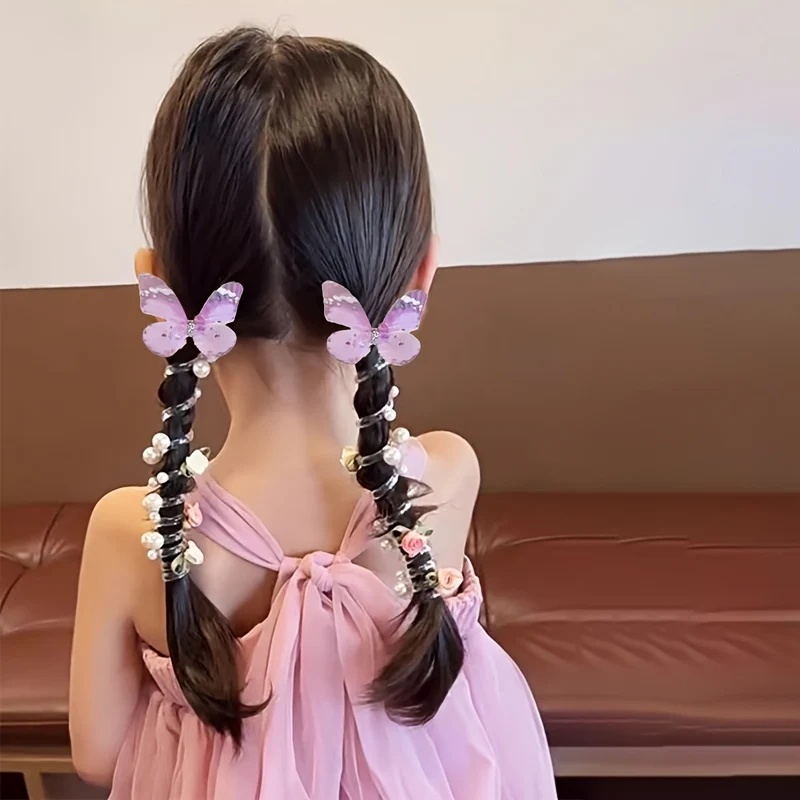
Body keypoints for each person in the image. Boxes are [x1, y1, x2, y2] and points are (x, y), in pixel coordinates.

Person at [69, 26, 557, 799]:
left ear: (158, 285)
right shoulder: (447, 477)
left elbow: (99, 755)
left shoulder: (129, 535)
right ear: (419, 277)